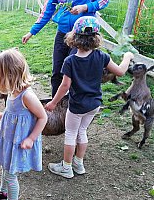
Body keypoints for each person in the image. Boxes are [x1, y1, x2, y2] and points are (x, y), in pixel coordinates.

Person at [45, 16, 134, 179]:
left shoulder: (70, 61)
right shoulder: (102, 57)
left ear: (73, 38)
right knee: (83, 131)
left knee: (71, 133)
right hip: (94, 105)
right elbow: (120, 71)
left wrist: (53, 103)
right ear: (96, 38)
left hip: (77, 105)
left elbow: (64, 86)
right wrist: (127, 57)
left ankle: (66, 167)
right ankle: (79, 163)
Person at [22, 0, 109, 97]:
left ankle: (72, 105)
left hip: (82, 35)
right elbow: (48, 10)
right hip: (62, 33)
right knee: (57, 71)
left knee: (73, 71)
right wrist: (32, 32)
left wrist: (85, 7)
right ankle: (56, 106)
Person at [0, 48, 48, 200]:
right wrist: (2, 115)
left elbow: (42, 117)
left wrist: (31, 138)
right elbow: (15, 112)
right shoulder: (13, 91)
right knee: (6, 167)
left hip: (20, 141)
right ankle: (3, 192)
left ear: (11, 75)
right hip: (9, 139)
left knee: (11, 173)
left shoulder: (27, 95)